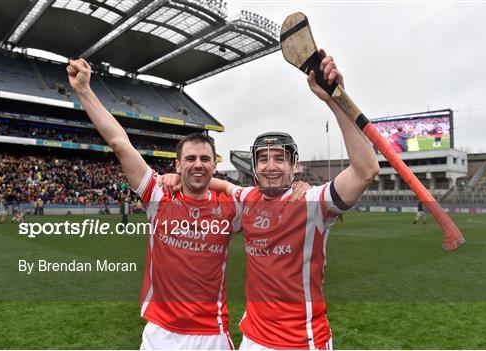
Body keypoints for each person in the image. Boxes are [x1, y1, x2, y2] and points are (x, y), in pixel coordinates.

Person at [66, 57, 310, 350]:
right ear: (178, 166)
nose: (198, 165)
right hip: (160, 335)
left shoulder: (233, 210)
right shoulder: (158, 197)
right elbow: (120, 142)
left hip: (212, 336)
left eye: (205, 159)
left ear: (214, 166)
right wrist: (84, 90)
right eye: (190, 159)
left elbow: (273, 201)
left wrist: (298, 187)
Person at [161, 49, 379, 349]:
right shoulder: (247, 197)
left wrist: (335, 100)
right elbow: (223, 185)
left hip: (301, 343)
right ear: (254, 167)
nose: (271, 166)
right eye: (263, 159)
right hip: (252, 339)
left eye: (279, 159)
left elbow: (366, 170)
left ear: (295, 166)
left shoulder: (312, 202)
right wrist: (174, 178)